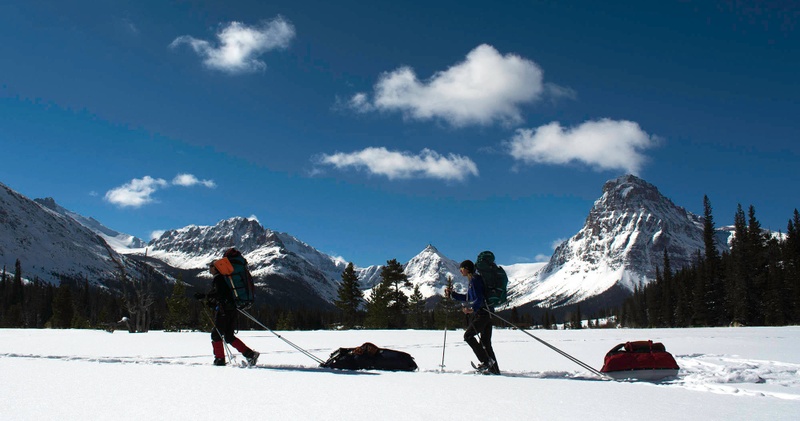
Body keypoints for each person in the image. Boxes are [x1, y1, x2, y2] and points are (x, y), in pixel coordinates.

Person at [195, 253, 259, 367]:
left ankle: (219, 360)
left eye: (211, 266)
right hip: (232, 309)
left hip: (224, 310)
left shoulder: (218, 279)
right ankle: (250, 354)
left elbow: (219, 294)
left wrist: (204, 296)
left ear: (215, 268)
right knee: (229, 336)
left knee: (216, 335)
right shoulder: (225, 278)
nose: (209, 268)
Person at [445, 259, 500, 375]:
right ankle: (494, 370)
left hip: (483, 313)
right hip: (487, 313)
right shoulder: (473, 280)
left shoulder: (475, 280)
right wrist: (453, 294)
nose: (460, 271)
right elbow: (469, 297)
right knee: (485, 343)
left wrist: (472, 309)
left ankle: (486, 361)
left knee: (468, 336)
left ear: (466, 268)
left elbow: (479, 298)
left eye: (461, 269)